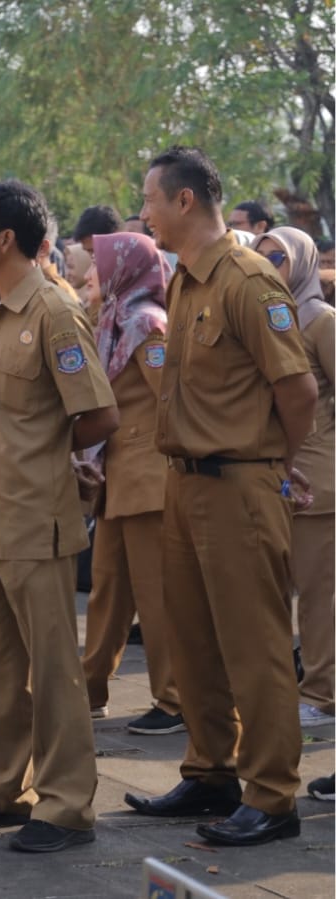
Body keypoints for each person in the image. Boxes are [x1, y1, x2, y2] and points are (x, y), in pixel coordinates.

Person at [124, 147, 315, 847]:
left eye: (150, 199)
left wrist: (274, 463)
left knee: (254, 645)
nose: (143, 213)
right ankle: (211, 772)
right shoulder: (183, 278)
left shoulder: (246, 278)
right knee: (192, 639)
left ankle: (272, 795)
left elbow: (297, 390)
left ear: (183, 201)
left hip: (238, 483)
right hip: (184, 481)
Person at [0, 180, 118, 854]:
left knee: (52, 668)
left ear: (5, 238)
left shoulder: (52, 310)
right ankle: (1, 783)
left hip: (33, 516)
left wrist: (45, 455)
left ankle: (65, 803)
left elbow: (98, 413)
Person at [77, 233, 185, 736]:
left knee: (157, 596)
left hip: (146, 478)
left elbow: (170, 400)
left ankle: (175, 699)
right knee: (108, 591)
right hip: (118, 477)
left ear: (123, 271)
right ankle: (90, 689)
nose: (87, 276)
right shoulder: (115, 320)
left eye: (95, 267)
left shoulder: (146, 324)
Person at [253, 226, 333, 728]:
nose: (267, 268)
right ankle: (286, 686)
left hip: (318, 478)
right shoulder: (266, 318)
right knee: (273, 591)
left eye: (277, 258)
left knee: (320, 595)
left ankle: (322, 693)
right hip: (273, 474)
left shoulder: (319, 320)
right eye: (260, 259)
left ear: (300, 262)